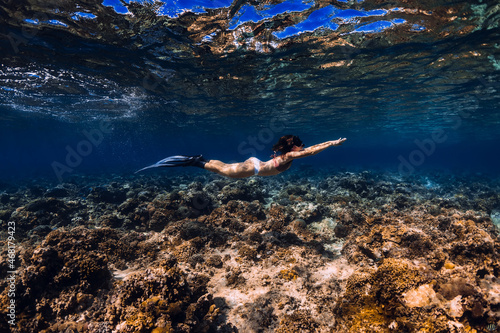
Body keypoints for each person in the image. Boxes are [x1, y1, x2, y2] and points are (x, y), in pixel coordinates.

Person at [136, 135, 346, 178]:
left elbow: (313, 147)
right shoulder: (290, 156)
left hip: (255, 162)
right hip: (253, 169)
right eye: (302, 146)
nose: (305, 148)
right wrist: (333, 144)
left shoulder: (286, 154)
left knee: (224, 165)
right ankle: (193, 162)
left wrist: (330, 142)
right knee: (225, 171)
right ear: (296, 147)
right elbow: (312, 151)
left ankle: (200, 158)